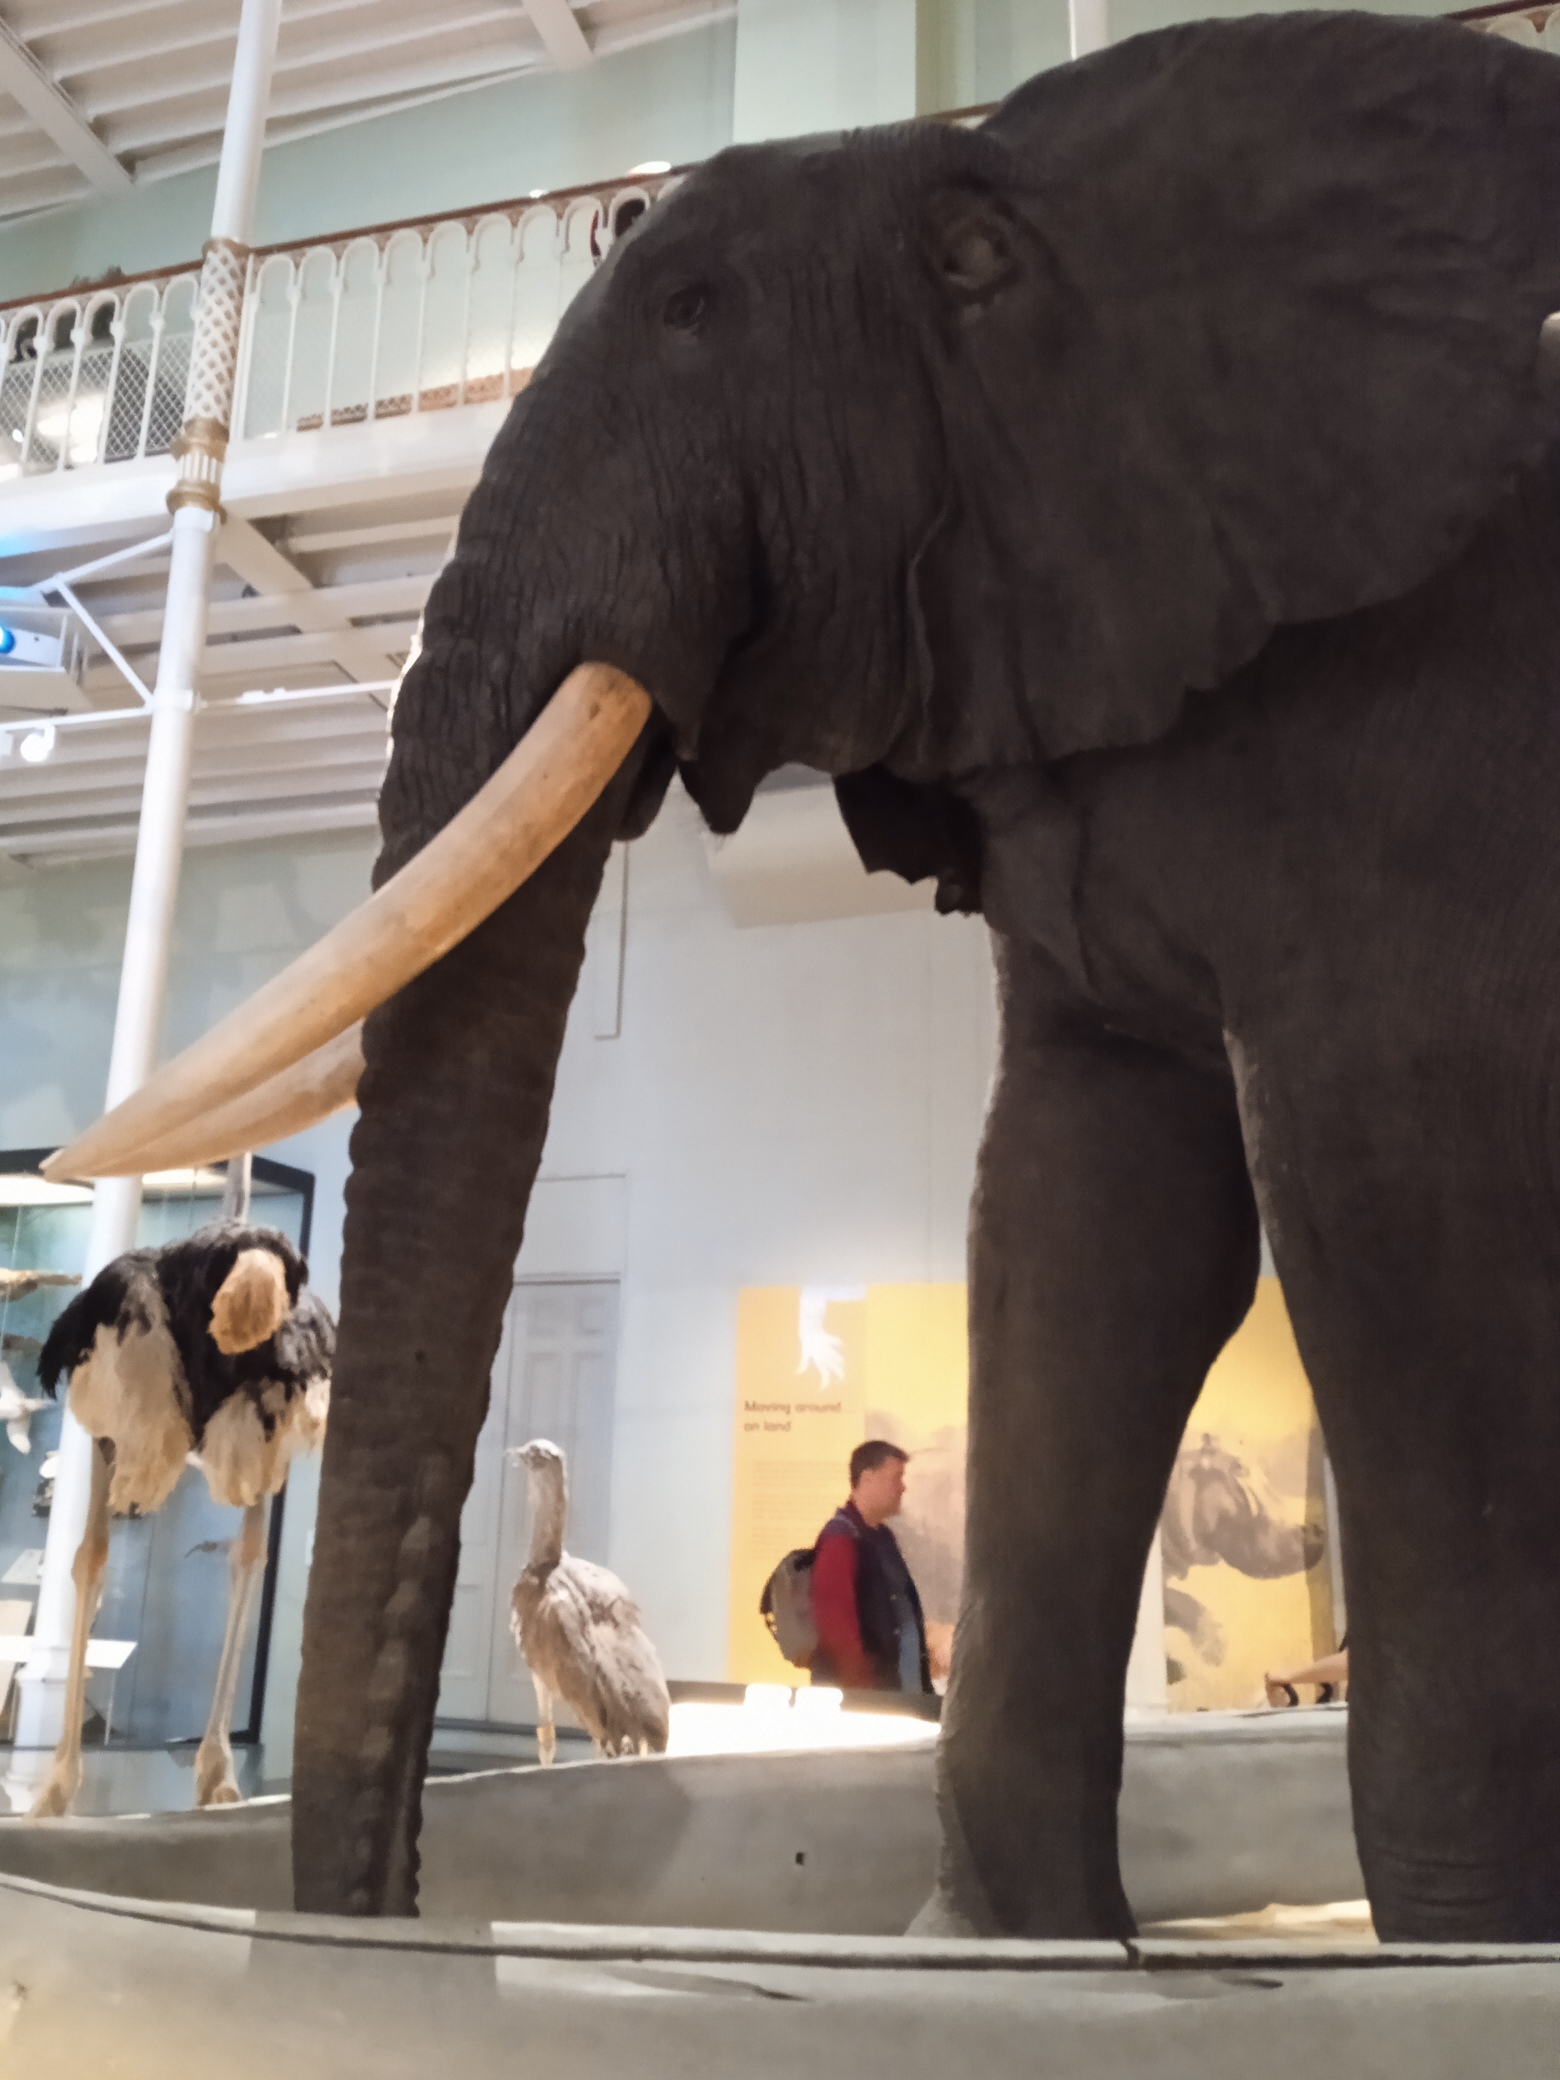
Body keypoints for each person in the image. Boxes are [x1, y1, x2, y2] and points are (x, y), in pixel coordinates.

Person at [808, 1440, 931, 1693]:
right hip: (869, 1699)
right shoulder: (840, 1540)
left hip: (896, 1694)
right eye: (896, 1478)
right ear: (868, 1478)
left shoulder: (883, 1537)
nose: (903, 1487)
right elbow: (837, 1629)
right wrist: (863, 1694)